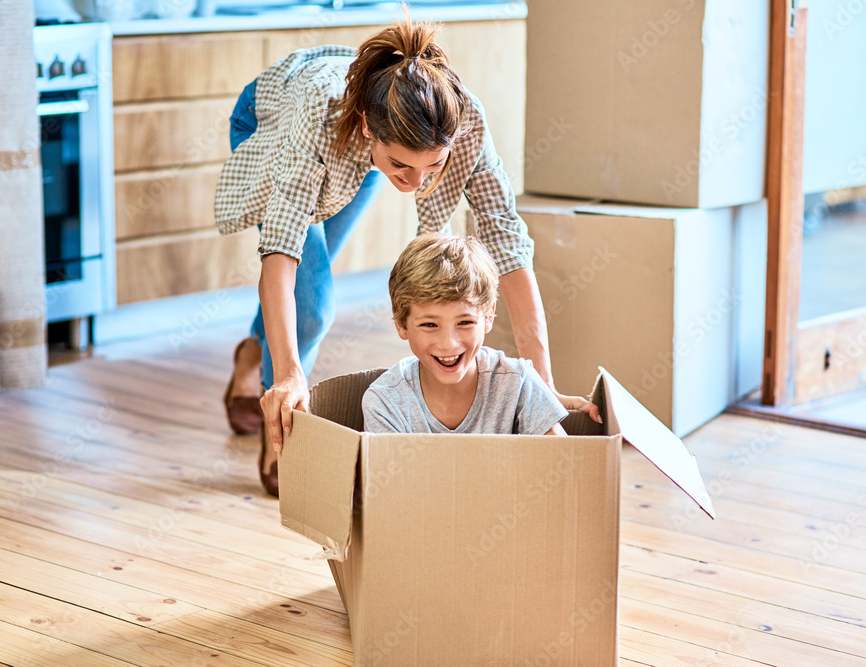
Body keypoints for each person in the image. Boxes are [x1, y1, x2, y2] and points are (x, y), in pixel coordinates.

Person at [215, 12, 600, 497]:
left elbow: (507, 241)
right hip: (275, 119)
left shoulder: (463, 123)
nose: (416, 183)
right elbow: (280, 253)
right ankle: (280, 419)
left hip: (367, 129)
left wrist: (542, 383)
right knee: (311, 301)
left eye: (432, 166)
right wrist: (293, 375)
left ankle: (253, 353)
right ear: (368, 133)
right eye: (401, 166)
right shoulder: (319, 124)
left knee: (308, 280)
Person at [362, 234, 570, 435]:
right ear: (401, 324)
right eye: (429, 324)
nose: (448, 344)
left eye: (465, 322)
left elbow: (561, 461)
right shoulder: (385, 402)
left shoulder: (518, 383)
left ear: (488, 316)